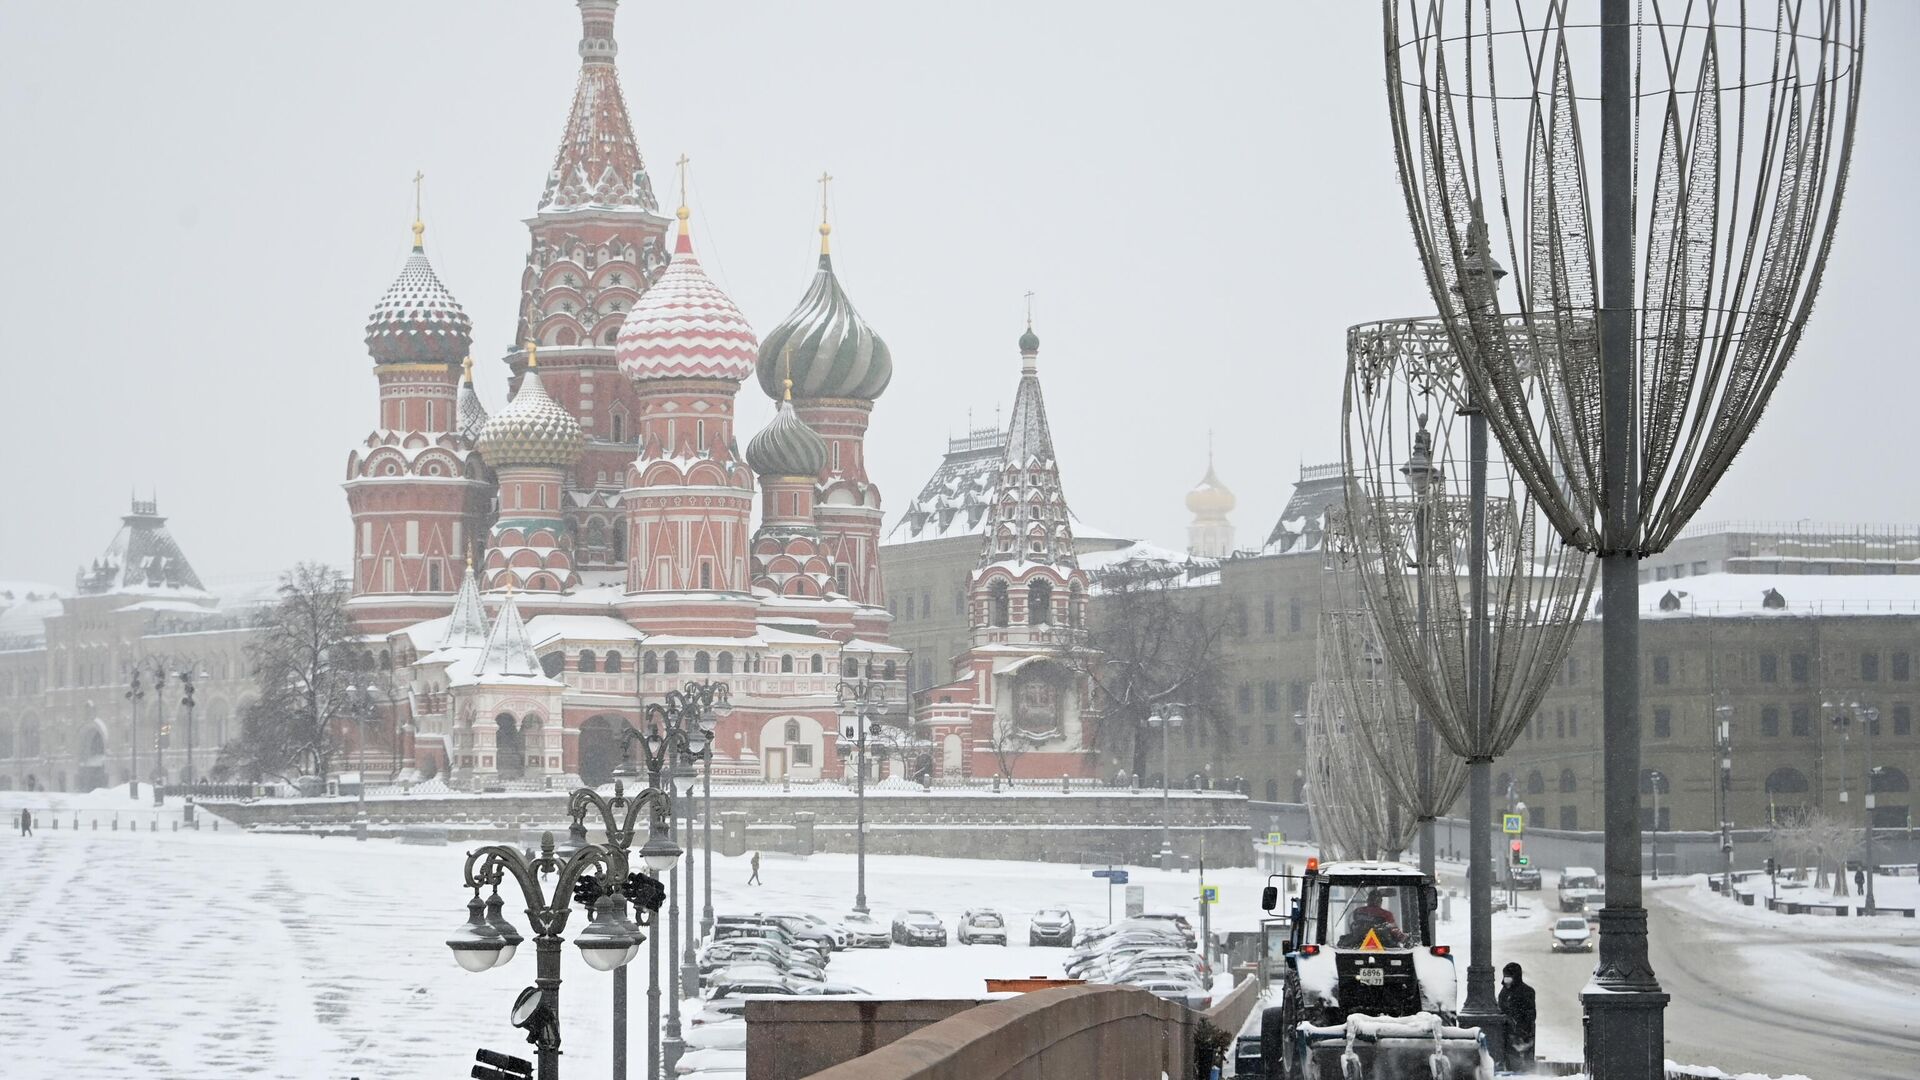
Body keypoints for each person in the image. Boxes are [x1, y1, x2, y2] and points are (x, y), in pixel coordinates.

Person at [1498, 961, 1536, 1073]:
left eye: (1509, 977)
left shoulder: (1526, 991)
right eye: (1505, 976)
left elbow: (1530, 1013)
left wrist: (1521, 1027)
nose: (1507, 979)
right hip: (1506, 1031)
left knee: (1520, 1063)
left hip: (1521, 1032)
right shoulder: (1504, 992)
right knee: (1511, 1060)